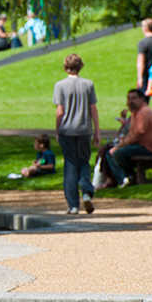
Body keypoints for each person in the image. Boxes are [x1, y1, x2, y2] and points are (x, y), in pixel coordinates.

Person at [53, 53, 100, 214]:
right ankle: (86, 192)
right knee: (84, 162)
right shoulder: (88, 84)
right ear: (80, 67)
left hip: (67, 130)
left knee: (71, 166)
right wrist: (97, 131)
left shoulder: (60, 85)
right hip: (84, 129)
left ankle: (73, 205)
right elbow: (93, 109)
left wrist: (57, 130)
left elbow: (60, 111)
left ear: (66, 68)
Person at [106, 88, 152, 188]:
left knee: (117, 153)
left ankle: (125, 178)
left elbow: (137, 134)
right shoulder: (136, 112)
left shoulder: (144, 112)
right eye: (128, 98)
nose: (130, 101)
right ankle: (126, 178)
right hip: (140, 146)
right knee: (108, 150)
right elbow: (131, 134)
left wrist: (119, 146)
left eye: (134, 98)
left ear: (142, 99)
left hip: (148, 149)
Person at [135, 18, 152, 102]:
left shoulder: (143, 43)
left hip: (147, 74)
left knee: (142, 101)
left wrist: (139, 78)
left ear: (145, 28)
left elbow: (140, 62)